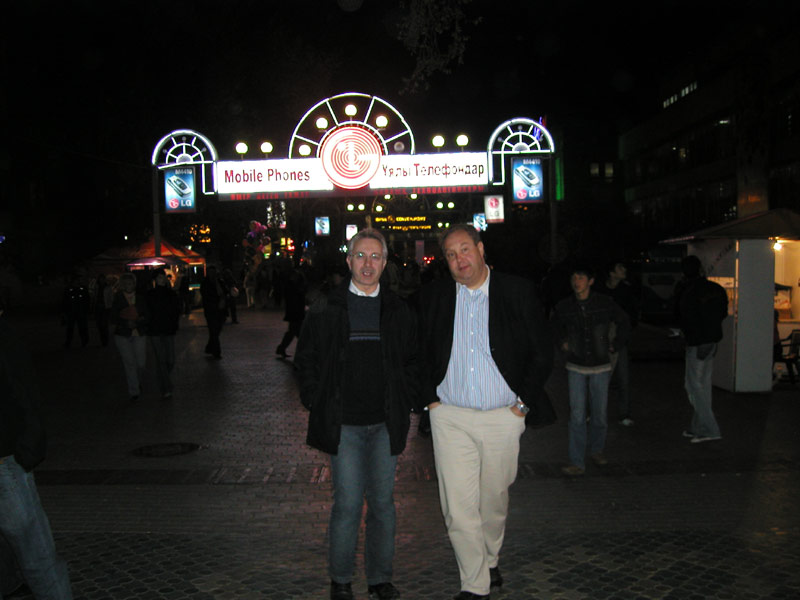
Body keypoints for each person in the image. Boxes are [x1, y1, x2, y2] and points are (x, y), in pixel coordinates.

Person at [417, 224, 554, 600]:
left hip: (502, 417)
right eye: (450, 254)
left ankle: (490, 558)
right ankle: (474, 585)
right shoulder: (435, 297)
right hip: (450, 415)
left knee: (493, 500)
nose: (459, 259)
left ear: (480, 249)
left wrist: (521, 406)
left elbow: (542, 352)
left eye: (464, 249)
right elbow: (418, 351)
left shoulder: (516, 291)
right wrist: (430, 400)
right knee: (458, 508)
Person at [295, 229, 418, 600]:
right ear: (349, 261)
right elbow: (306, 359)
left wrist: (406, 398)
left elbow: (413, 359)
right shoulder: (328, 308)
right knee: (347, 504)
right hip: (344, 424)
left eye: (375, 257)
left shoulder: (397, 309)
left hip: (384, 423)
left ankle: (380, 579)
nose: (368, 264)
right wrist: (316, 399)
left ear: (385, 263)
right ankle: (341, 579)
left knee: (382, 505)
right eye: (360, 256)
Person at [0, 296, 74, 599]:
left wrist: (25, 450)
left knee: (36, 554)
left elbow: (24, 392)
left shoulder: (4, 337)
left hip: (4, 461)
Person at [553, 264, 631, 476]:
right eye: (574, 277)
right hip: (576, 365)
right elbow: (554, 326)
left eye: (581, 278)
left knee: (599, 413)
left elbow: (624, 320)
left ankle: (597, 449)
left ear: (591, 281)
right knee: (577, 415)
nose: (576, 282)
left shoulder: (604, 303)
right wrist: (562, 343)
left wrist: (616, 344)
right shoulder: (565, 306)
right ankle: (577, 460)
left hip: (600, 365)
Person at [674, 255, 728, 443]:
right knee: (703, 385)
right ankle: (698, 426)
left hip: (697, 342)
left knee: (693, 386)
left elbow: (685, 317)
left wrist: (685, 334)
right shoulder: (716, 289)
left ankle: (710, 428)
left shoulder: (689, 292)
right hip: (712, 341)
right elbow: (723, 313)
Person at [593, 261, 638, 426]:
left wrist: (622, 337)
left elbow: (631, 316)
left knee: (623, 377)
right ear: (611, 273)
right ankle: (595, 412)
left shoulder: (626, 290)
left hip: (619, 337)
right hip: (601, 338)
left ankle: (624, 413)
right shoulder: (600, 290)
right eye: (620, 268)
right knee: (598, 377)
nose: (624, 270)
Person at [111, 273, 149, 401]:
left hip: (138, 332)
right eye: (127, 283)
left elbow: (146, 314)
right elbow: (113, 316)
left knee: (141, 363)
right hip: (123, 334)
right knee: (129, 363)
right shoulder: (118, 299)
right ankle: (134, 390)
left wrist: (138, 321)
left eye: (131, 283)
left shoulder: (140, 298)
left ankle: (137, 382)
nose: (129, 286)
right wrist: (125, 322)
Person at [146, 269, 181, 399]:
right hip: (155, 330)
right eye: (159, 277)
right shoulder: (150, 294)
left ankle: (163, 379)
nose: (162, 279)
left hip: (168, 329)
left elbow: (176, 310)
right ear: (155, 279)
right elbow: (147, 312)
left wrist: (174, 323)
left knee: (170, 360)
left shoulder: (171, 294)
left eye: (163, 277)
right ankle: (166, 387)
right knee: (161, 359)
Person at [275, 264, 307, 359]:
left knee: (294, 332)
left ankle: (282, 348)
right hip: (295, 312)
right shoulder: (293, 285)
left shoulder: (291, 285)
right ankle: (284, 348)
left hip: (295, 311)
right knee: (295, 332)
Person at [200, 266, 228, 360]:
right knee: (214, 331)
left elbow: (225, 292)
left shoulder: (220, 281)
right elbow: (206, 296)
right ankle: (216, 351)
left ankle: (209, 347)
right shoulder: (205, 283)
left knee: (216, 331)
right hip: (211, 310)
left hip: (220, 311)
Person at [61, 273, 90, 348]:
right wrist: (64, 312)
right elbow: (64, 301)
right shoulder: (68, 289)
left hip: (81, 311)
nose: (78, 281)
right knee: (70, 328)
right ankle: (68, 342)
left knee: (82, 328)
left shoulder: (83, 289)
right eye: (77, 280)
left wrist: (87, 310)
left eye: (79, 280)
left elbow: (87, 300)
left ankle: (84, 341)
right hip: (71, 312)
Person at [93, 273, 113, 347]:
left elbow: (111, 298)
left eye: (102, 279)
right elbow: (95, 296)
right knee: (99, 325)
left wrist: (110, 307)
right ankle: (103, 339)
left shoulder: (108, 287)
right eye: (100, 279)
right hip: (98, 307)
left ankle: (105, 340)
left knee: (104, 324)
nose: (101, 280)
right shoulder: (97, 287)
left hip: (105, 307)